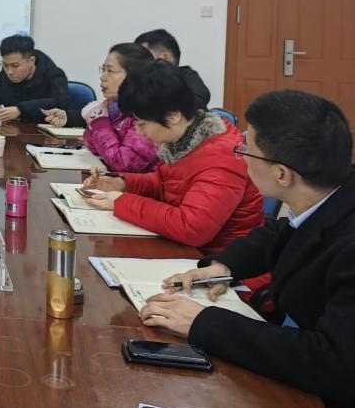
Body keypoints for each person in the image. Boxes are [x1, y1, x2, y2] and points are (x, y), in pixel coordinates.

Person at [139, 90, 355, 408]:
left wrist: (203, 323)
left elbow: (332, 363)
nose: (239, 156)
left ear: (282, 174)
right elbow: (283, 232)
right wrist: (223, 265)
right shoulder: (330, 193)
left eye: (245, 149)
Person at [82, 61, 262, 253]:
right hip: (187, 250)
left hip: (219, 262)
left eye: (142, 124)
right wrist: (124, 183)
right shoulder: (182, 140)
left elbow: (191, 228)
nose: (139, 132)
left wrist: (122, 202)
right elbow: (167, 184)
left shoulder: (222, 158)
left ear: (173, 116)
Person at [45, 43, 159, 173]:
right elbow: (92, 145)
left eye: (110, 71)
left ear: (134, 75)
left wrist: (99, 122)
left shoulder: (147, 115)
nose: (102, 77)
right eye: (103, 69)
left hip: (139, 184)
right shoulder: (113, 106)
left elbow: (123, 164)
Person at [0, 35, 70, 123]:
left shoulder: (54, 74)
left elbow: (60, 102)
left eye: (15, 66)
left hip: (41, 134)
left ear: (31, 61)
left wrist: (20, 110)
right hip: (11, 132)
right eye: (5, 65)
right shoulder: (6, 74)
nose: (9, 71)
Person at [135, 28, 211, 110]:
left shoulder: (187, 76)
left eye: (143, 56)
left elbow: (198, 100)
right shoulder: (138, 80)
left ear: (166, 58)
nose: (137, 62)